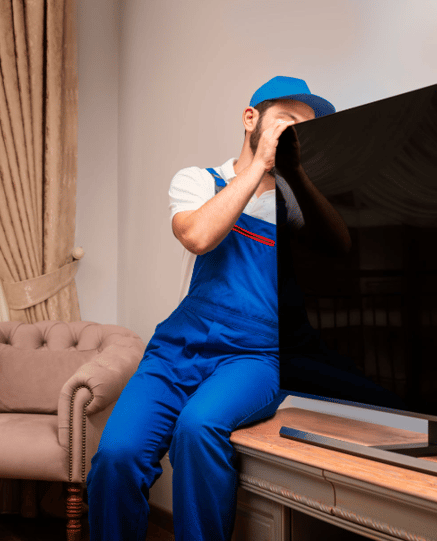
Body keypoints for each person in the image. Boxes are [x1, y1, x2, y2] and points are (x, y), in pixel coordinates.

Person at [86, 76, 346, 541]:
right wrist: (259, 166)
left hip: (256, 357)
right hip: (177, 350)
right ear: (252, 119)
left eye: (303, 133)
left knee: (199, 428)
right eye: (286, 122)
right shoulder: (198, 181)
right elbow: (199, 236)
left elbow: (340, 247)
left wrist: (297, 174)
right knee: (117, 456)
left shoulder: (296, 207)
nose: (293, 137)